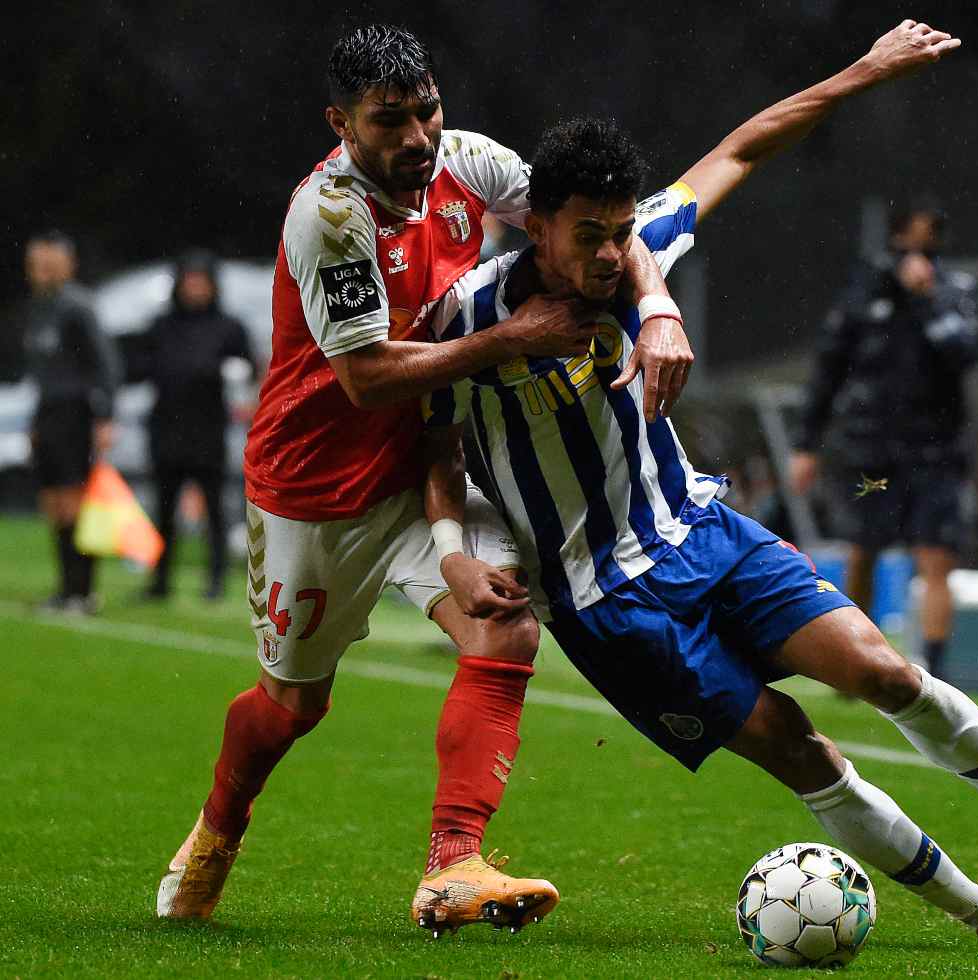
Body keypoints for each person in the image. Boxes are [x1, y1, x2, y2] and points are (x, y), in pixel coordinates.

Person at [423, 21, 978, 953]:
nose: (612, 253)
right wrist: (453, 557)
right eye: (589, 236)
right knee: (798, 745)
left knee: (884, 669)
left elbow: (742, 145)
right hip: (607, 604)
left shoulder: (635, 261)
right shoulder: (465, 319)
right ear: (533, 225)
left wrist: (866, 70)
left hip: (699, 531)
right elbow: (435, 449)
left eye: (621, 233)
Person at [156, 23, 690, 930]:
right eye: (388, 120)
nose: (416, 138)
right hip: (315, 492)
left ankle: (453, 864)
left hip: (430, 468)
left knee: (505, 624)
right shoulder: (328, 216)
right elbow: (363, 380)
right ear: (342, 124)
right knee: (292, 707)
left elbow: (592, 214)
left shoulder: (467, 162)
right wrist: (510, 339)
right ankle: (217, 829)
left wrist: (656, 302)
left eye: (426, 110)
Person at [789, 205, 978, 678]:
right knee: (864, 547)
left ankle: (935, 668)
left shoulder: (956, 291)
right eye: (909, 239)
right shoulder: (866, 291)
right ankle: (854, 658)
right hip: (872, 449)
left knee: (936, 555)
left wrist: (929, 299)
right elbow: (829, 368)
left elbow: (966, 351)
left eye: (928, 239)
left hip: (935, 451)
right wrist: (806, 444)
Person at [133, 251, 258, 601]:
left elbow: (248, 368)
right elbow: (138, 366)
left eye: (201, 282)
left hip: (207, 429)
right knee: (164, 510)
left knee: (215, 510)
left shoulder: (229, 327)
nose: (195, 289)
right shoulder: (161, 326)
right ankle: (159, 581)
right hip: (167, 428)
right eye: (189, 281)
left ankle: (216, 580)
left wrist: (231, 375)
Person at [20, 230, 122, 615]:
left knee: (75, 502)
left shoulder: (78, 306)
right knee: (52, 503)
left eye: (48, 262)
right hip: (48, 413)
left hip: (75, 412)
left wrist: (105, 415)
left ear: (67, 264)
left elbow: (107, 363)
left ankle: (84, 590)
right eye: (35, 263)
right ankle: (65, 588)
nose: (40, 270)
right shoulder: (37, 308)